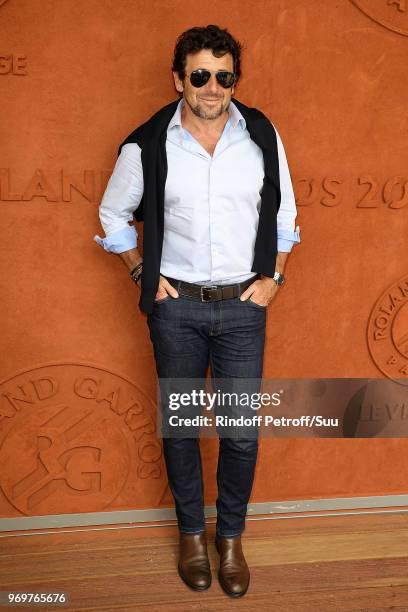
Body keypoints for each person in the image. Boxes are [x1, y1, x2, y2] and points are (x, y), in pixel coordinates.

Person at [93, 24, 300, 598]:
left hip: (242, 307)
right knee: (181, 428)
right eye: (201, 75)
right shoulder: (147, 144)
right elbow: (113, 215)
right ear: (179, 78)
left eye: (224, 75)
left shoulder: (260, 134)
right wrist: (142, 271)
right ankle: (191, 534)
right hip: (176, 309)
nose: (213, 87)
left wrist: (275, 277)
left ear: (235, 79)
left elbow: (285, 213)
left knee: (239, 434)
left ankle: (229, 537)